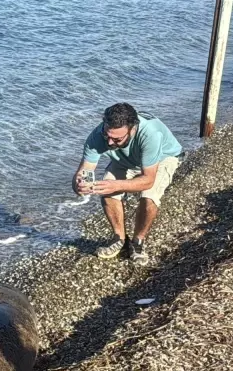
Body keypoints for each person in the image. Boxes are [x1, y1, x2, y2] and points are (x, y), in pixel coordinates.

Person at [72, 103, 182, 265]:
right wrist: (79, 186)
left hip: (163, 157)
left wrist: (116, 185)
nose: (109, 143)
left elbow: (148, 180)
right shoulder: (97, 136)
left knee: (149, 197)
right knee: (106, 191)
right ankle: (119, 238)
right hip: (126, 160)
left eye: (116, 139)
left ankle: (138, 241)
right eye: (107, 135)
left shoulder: (150, 134)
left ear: (132, 129)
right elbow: (84, 171)